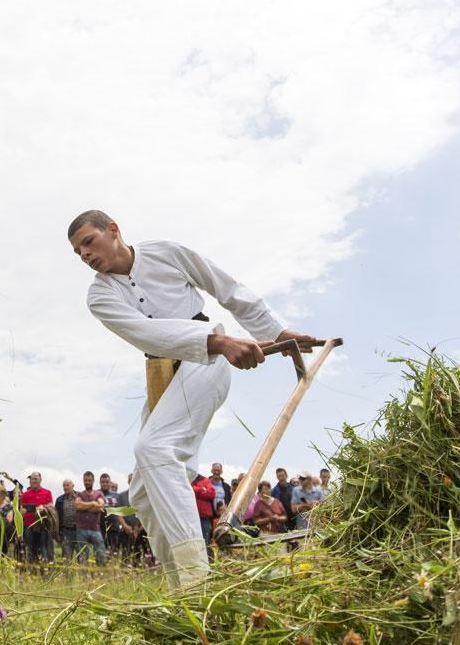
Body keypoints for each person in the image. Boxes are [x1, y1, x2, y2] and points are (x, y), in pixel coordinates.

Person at [68, 210, 315, 585]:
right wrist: (222, 341)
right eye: (77, 252)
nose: (85, 255)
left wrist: (277, 332)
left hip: (206, 365)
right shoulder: (99, 295)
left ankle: (195, 581)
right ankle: (175, 587)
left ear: (113, 230)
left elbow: (227, 288)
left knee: (154, 450)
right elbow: (145, 333)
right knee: (143, 491)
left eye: (88, 242)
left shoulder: (167, 252)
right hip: (165, 373)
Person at [21, 472, 54, 564]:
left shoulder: (47, 493)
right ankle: (30, 569)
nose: (34, 481)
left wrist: (43, 508)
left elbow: (51, 507)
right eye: (32, 479)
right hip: (29, 525)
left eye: (35, 479)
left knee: (43, 547)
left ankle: (44, 568)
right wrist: (22, 512)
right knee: (29, 548)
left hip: (43, 526)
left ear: (40, 479)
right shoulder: (26, 494)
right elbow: (22, 509)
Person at [75, 471, 106, 567]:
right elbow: (77, 506)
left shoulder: (99, 494)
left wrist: (85, 506)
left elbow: (100, 507)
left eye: (89, 480)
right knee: (83, 555)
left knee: (100, 553)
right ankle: (84, 575)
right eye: (85, 480)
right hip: (81, 529)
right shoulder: (79, 494)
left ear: (93, 481)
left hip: (95, 529)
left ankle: (101, 574)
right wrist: (92, 504)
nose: (87, 482)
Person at [55, 479, 79, 562]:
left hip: (79, 530)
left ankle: (83, 573)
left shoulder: (80, 497)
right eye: (64, 486)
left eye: (68, 485)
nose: (66, 487)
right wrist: (57, 533)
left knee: (82, 554)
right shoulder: (59, 500)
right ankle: (66, 574)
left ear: (73, 486)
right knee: (66, 556)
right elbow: (56, 518)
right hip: (66, 531)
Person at [98, 473, 121, 556]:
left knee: (113, 553)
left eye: (107, 482)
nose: (105, 484)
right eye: (103, 482)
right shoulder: (96, 494)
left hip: (114, 528)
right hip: (100, 529)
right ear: (100, 483)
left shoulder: (117, 495)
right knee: (100, 552)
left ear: (110, 483)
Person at [191, 474, 216, 544]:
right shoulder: (187, 478)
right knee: (192, 540)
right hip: (190, 516)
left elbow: (212, 493)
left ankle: (206, 554)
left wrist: (194, 492)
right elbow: (187, 491)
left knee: (205, 538)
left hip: (205, 516)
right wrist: (202, 489)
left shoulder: (205, 480)